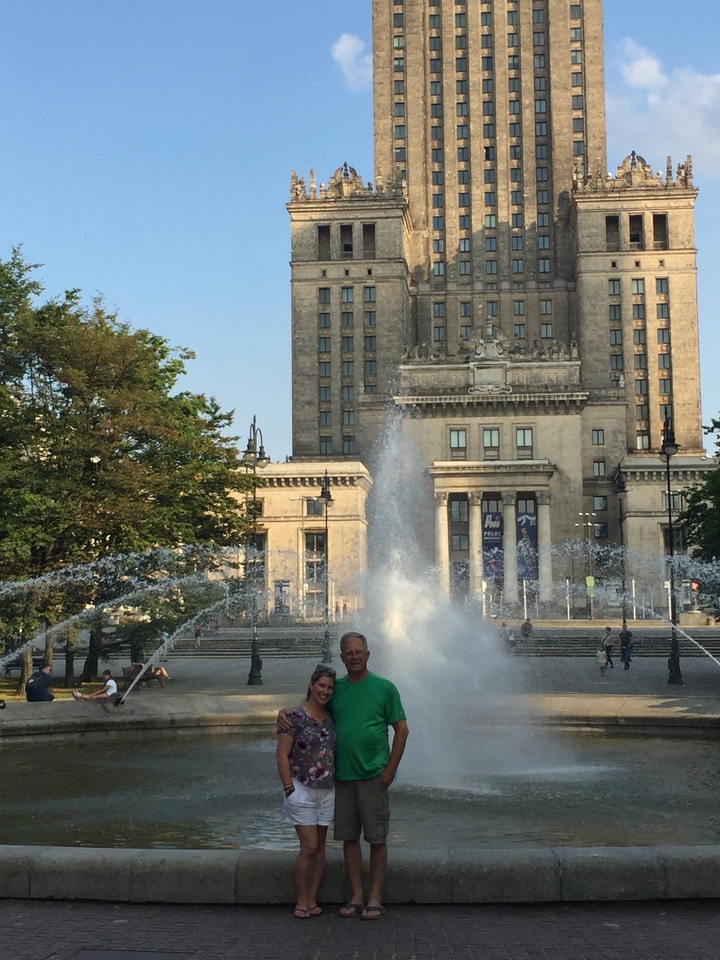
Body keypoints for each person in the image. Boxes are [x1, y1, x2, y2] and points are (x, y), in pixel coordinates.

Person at [278, 631, 409, 921]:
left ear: (367, 654)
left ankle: (375, 896)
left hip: (374, 775)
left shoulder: (385, 688)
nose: (354, 656)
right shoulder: (336, 689)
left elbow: (402, 730)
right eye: (348, 653)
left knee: (376, 838)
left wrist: (389, 771)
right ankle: (356, 895)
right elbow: (311, 706)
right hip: (341, 779)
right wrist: (284, 711)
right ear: (342, 657)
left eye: (358, 651)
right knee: (349, 839)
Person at [276, 664, 337, 920]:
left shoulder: (334, 715)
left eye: (330, 687)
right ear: (311, 685)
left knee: (320, 847)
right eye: (321, 685)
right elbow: (281, 753)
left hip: (328, 790)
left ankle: (312, 897)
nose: (325, 691)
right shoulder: (295, 717)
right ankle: (301, 899)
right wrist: (289, 788)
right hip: (301, 788)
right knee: (309, 846)